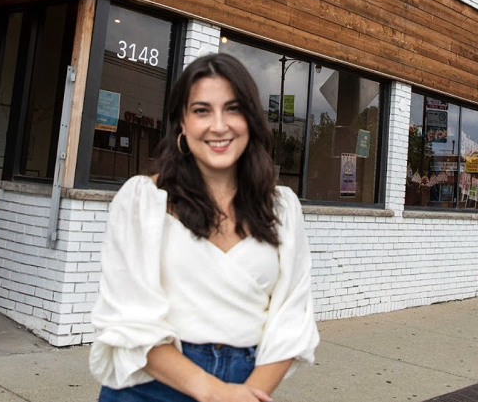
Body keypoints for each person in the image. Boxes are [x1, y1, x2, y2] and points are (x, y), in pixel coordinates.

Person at [90, 52, 319, 402]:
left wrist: (245, 394)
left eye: (233, 108)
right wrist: (214, 393)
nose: (218, 125)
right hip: (151, 387)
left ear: (251, 119)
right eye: (201, 110)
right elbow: (128, 319)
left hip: (250, 384)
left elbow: (292, 317)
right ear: (181, 122)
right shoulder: (143, 201)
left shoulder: (282, 208)